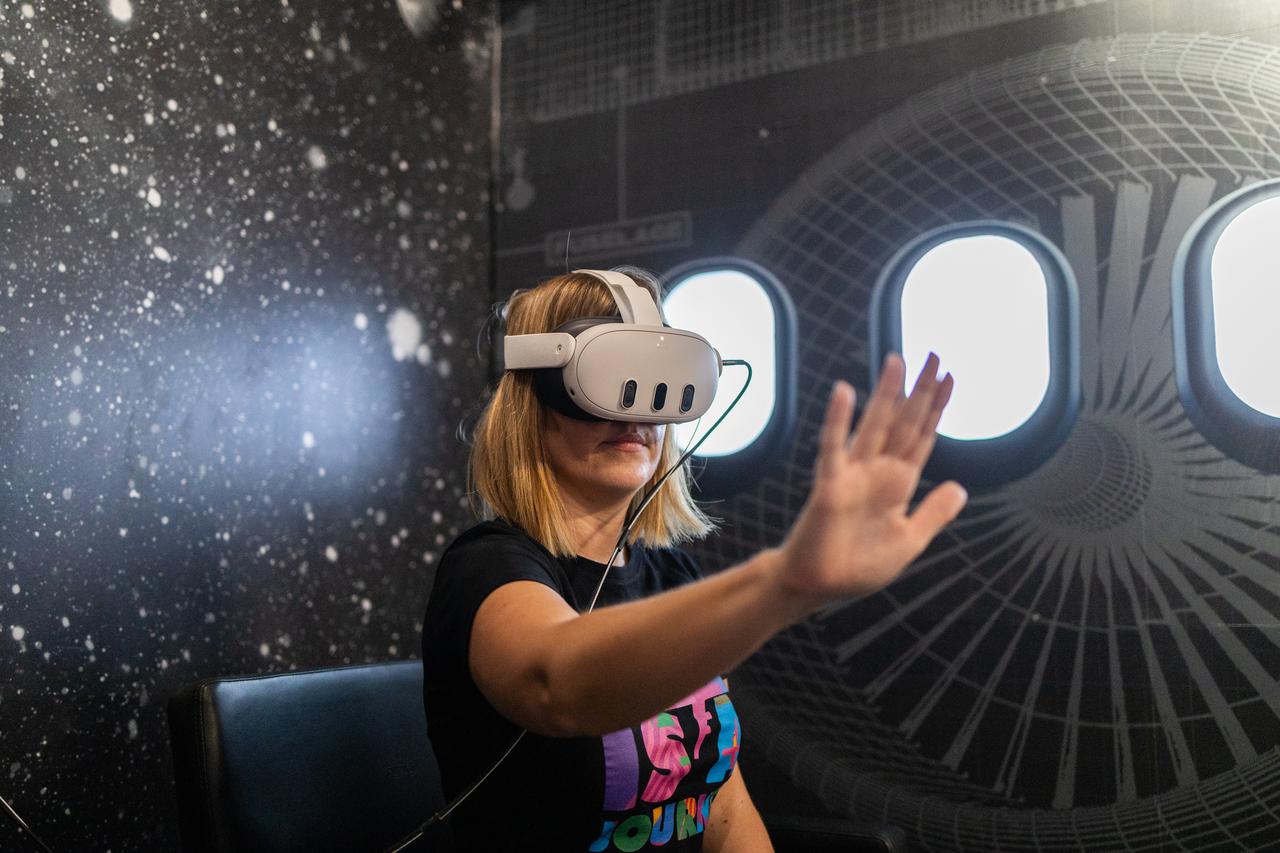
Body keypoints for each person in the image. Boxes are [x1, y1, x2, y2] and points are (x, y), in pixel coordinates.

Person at [421, 268, 965, 852]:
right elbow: (556, 684)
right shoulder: (487, 568)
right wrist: (783, 583)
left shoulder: (671, 575)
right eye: (605, 380)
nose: (635, 414)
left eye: (659, 381)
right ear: (532, 403)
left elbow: (719, 802)